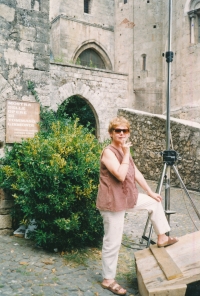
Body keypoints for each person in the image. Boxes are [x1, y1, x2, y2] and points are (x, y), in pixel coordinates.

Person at [96, 116, 178, 296]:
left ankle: (162, 237)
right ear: (111, 133)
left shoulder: (124, 150)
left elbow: (135, 172)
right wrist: (126, 153)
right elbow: (120, 174)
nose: (122, 134)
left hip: (126, 197)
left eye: (125, 130)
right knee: (113, 241)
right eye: (118, 130)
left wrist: (149, 191)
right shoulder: (109, 152)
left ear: (128, 132)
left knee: (153, 203)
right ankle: (108, 279)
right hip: (112, 202)